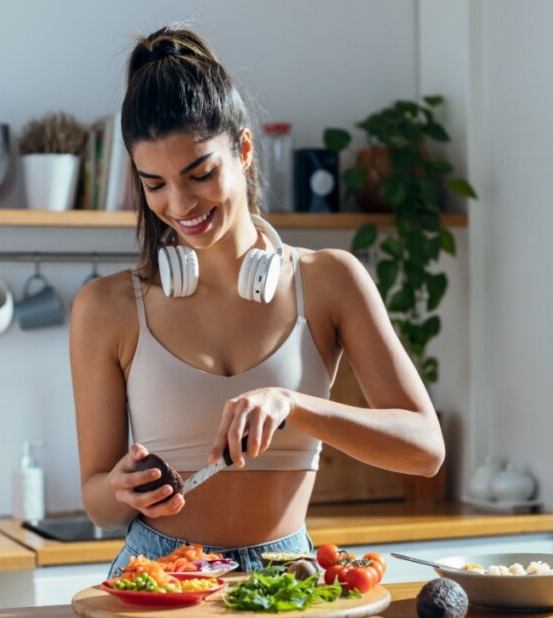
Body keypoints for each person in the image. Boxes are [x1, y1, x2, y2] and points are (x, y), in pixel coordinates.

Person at [70, 25, 444, 577]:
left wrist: (293, 405)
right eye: (154, 185)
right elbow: (96, 499)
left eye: (200, 174)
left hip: (287, 575)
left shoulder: (331, 280)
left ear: (243, 151)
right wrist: (122, 489)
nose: (179, 204)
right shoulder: (106, 308)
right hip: (159, 574)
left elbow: (425, 449)